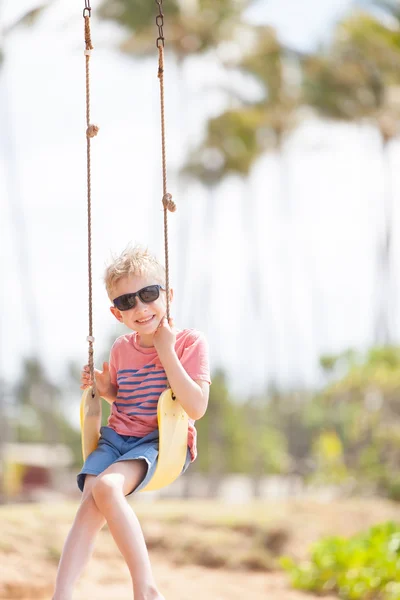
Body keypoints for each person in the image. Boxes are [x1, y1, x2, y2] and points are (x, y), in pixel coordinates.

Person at [53, 245, 211, 600]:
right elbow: (129, 403)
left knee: (106, 489)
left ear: (167, 295)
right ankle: (61, 594)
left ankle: (146, 589)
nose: (140, 308)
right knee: (92, 497)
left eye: (149, 294)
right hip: (118, 439)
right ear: (116, 313)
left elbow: (196, 407)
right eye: (127, 302)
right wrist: (108, 391)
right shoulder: (122, 349)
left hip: (160, 444)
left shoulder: (188, 342)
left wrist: (166, 350)